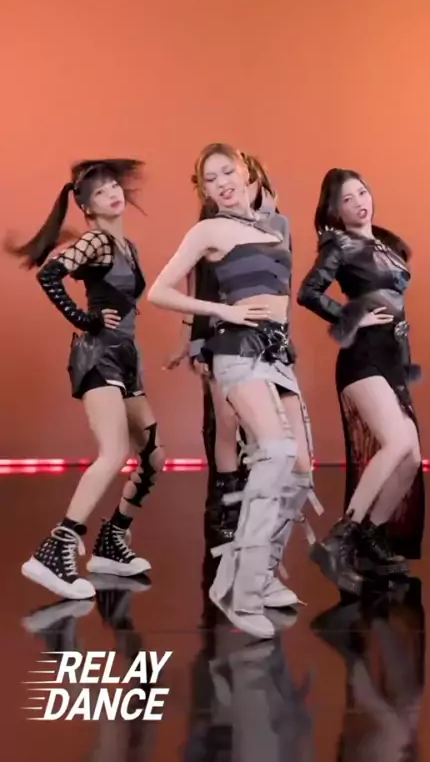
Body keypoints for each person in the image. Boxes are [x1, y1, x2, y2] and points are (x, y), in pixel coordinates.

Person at [148, 142, 320, 638]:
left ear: (246, 172)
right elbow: (159, 291)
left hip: (275, 354)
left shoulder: (272, 228)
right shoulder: (209, 230)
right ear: (204, 190)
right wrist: (222, 312)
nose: (222, 183)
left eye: (227, 172)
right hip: (237, 350)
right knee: (276, 451)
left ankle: (260, 575)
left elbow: (280, 299)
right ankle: (239, 591)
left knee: (301, 470)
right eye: (210, 178)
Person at [5, 159, 165, 600]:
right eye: (100, 192)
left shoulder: (126, 245)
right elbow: (50, 275)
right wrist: (84, 318)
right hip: (98, 357)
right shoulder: (96, 240)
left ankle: (111, 542)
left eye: (114, 186)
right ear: (87, 208)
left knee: (153, 456)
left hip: (125, 357)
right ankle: (53, 551)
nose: (113, 193)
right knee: (114, 452)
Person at [297, 167, 425, 595]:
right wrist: (350, 316)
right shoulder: (341, 245)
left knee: (410, 458)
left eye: (362, 193)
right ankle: (340, 539)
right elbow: (309, 292)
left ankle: (371, 537)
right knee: (396, 442)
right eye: (347, 199)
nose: (358, 203)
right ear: (336, 210)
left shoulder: (384, 244)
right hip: (362, 357)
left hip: (391, 360)